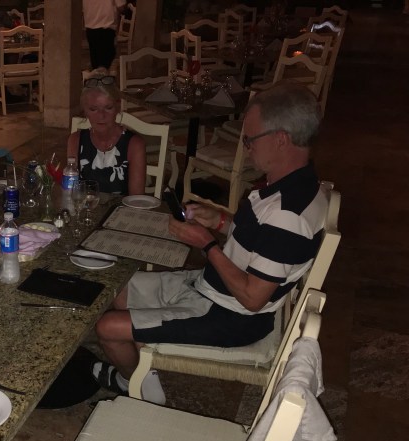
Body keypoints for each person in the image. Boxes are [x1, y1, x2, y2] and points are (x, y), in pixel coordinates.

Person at [93, 83, 328, 403]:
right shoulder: (293, 186)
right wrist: (219, 222)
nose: (246, 147)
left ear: (281, 139)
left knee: (107, 327)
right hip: (213, 289)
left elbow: (252, 298)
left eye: (250, 139)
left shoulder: (287, 214)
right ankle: (141, 375)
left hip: (231, 316)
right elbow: (263, 243)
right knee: (118, 288)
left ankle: (134, 385)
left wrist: (207, 244)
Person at [67, 75, 145, 196]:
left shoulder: (134, 145)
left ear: (118, 107)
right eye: (93, 109)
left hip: (123, 208)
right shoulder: (76, 140)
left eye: (108, 108)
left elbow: (136, 200)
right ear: (85, 111)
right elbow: (71, 191)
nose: (101, 116)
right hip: (85, 207)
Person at [82, 0, 126, 74]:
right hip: (106, 28)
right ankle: (103, 78)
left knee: (96, 62)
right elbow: (121, 7)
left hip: (90, 27)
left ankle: (97, 78)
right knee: (106, 62)